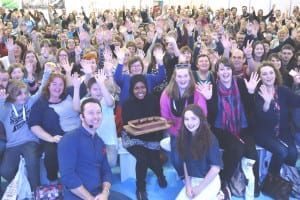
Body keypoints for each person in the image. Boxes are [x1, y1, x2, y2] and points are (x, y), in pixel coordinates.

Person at [198, 57, 260, 200]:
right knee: (237, 148)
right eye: (222, 69)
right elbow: (211, 115)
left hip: (242, 126)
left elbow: (250, 108)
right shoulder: (212, 88)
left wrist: (251, 93)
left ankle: (254, 181)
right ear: (217, 72)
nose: (225, 72)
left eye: (228, 68)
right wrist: (208, 100)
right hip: (221, 129)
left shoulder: (241, 83)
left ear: (232, 71)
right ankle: (223, 179)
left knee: (251, 150)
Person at [58, 98, 130, 200]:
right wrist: (90, 198)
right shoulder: (69, 139)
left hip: (99, 194)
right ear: (82, 117)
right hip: (77, 196)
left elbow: (106, 171)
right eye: (91, 113)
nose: (96, 116)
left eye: (98, 112)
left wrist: (105, 192)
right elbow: (68, 177)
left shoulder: (99, 142)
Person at [0, 66, 51, 191]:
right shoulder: (6, 107)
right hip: (12, 145)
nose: (24, 96)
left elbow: (40, 93)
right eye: (19, 94)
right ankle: (21, 185)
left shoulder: (29, 102)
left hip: (30, 141)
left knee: (32, 162)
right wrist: (1, 101)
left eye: (25, 93)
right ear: (11, 95)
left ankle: (35, 191)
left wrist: (46, 74)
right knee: (5, 171)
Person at [28, 73, 81, 183]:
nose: (57, 88)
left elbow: (80, 107)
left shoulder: (70, 95)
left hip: (74, 135)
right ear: (48, 85)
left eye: (61, 85)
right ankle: (54, 182)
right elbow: (34, 125)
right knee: (51, 154)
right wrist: (50, 138)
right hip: (52, 138)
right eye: (54, 84)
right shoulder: (41, 103)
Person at [122, 75, 167, 200]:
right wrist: (141, 131)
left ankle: (160, 175)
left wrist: (154, 136)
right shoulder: (127, 104)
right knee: (143, 159)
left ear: (147, 87)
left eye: (143, 87)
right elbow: (128, 126)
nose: (140, 90)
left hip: (152, 136)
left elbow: (158, 120)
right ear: (132, 89)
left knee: (155, 161)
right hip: (133, 138)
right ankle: (140, 188)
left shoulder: (153, 100)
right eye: (136, 88)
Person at [160, 65, 207, 179]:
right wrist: (176, 133)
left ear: (190, 77)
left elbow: (203, 114)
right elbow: (165, 117)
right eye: (179, 76)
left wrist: (192, 131)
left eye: (185, 76)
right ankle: (182, 175)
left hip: (195, 131)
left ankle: (195, 175)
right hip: (176, 132)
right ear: (174, 78)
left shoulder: (197, 92)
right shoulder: (166, 94)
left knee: (196, 156)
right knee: (176, 159)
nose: (182, 79)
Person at [254, 62, 300, 176]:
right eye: (264, 74)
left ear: (276, 74)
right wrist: (267, 103)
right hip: (263, 132)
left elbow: (297, 101)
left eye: (271, 73)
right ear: (260, 77)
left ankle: (287, 176)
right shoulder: (257, 92)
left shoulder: (283, 90)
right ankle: (272, 179)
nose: (268, 76)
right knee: (282, 152)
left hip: (283, 131)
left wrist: (297, 85)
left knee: (293, 153)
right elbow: (261, 117)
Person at [176, 104, 223, 200]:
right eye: (186, 119)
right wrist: (188, 185)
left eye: (193, 118)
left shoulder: (211, 139)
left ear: (200, 119)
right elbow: (185, 162)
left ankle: (220, 195)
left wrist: (199, 189)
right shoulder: (183, 137)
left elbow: (215, 169)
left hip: (209, 180)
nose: (190, 123)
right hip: (193, 179)